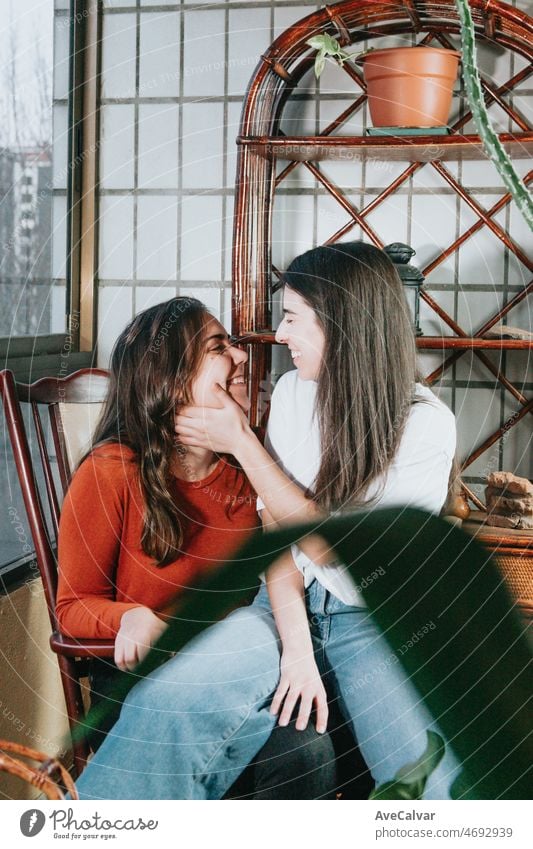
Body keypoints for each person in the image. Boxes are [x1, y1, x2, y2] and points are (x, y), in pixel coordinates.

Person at [74, 242, 458, 800]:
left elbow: (344, 556)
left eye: (292, 318)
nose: (278, 336)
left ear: (340, 325)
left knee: (429, 789)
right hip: (279, 608)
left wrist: (243, 445)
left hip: (373, 620)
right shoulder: (291, 393)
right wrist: (297, 649)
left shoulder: (426, 427)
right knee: (175, 698)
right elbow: (279, 541)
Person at [57, 296, 338, 799]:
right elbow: (72, 606)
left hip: (240, 676)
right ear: (168, 376)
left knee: (306, 749)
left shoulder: (250, 471)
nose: (243, 358)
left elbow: (308, 558)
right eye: (218, 347)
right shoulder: (111, 471)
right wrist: (129, 618)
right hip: (142, 684)